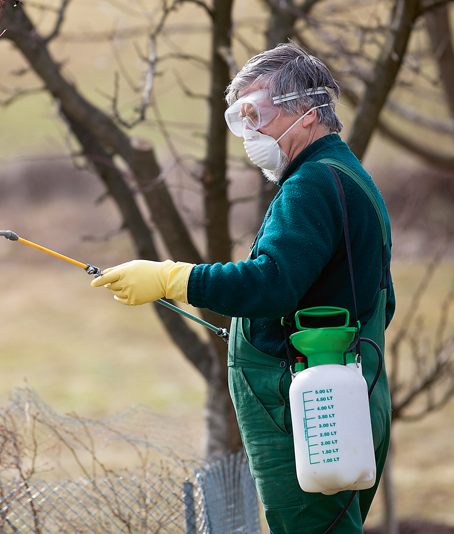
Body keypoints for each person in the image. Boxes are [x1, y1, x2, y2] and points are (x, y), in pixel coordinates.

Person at [91, 43, 394, 534]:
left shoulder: (312, 185)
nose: (251, 133)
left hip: (310, 411)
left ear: (309, 112)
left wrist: (174, 278)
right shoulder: (347, 176)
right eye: (241, 118)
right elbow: (376, 299)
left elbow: (270, 283)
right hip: (347, 399)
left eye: (259, 114)